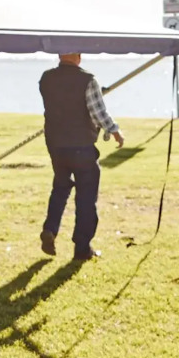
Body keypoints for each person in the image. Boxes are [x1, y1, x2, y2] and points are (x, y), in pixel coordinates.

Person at [37, 53, 122, 261]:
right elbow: (98, 113)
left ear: (60, 55)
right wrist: (114, 131)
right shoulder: (88, 80)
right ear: (78, 56)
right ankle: (82, 248)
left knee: (61, 187)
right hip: (81, 146)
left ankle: (50, 229)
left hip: (56, 146)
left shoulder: (46, 78)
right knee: (86, 197)